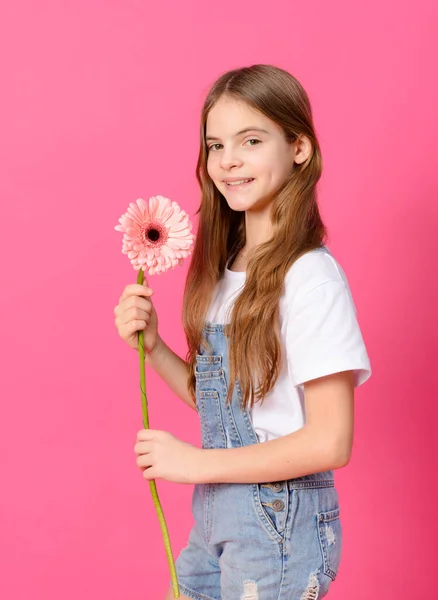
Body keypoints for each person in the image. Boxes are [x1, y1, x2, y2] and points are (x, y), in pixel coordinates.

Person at [114, 64, 372, 600]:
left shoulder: (309, 277)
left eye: (250, 141)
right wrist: (155, 347)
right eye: (215, 145)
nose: (227, 161)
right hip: (213, 519)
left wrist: (194, 463)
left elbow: (331, 440)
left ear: (298, 147)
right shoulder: (226, 271)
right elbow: (229, 410)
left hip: (277, 523)